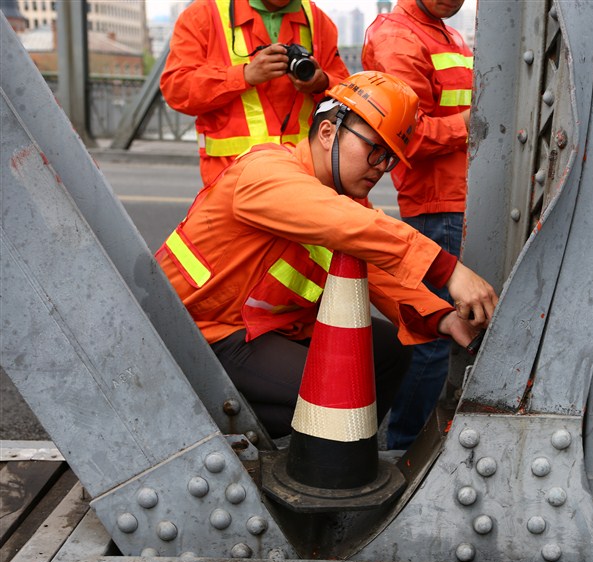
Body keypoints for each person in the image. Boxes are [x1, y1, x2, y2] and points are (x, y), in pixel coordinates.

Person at [155, 71, 498, 440]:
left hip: (261, 330)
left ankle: (341, 458)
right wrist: (449, 271)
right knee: (341, 390)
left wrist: (442, 317)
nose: (381, 167)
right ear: (327, 133)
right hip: (203, 334)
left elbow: (377, 270)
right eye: (374, 149)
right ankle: (298, 455)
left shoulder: (340, 200)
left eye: (389, 159)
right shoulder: (266, 172)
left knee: (390, 350)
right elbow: (351, 226)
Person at [361, 0, 473, 450]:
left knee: (450, 330)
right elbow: (408, 133)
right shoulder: (397, 36)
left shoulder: (448, 33)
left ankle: (414, 443)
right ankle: (403, 447)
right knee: (433, 336)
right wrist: (472, 125)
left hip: (461, 197)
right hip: (438, 203)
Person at [161, 0, 350, 186]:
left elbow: (347, 93)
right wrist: (243, 75)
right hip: (232, 178)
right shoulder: (203, 14)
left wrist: (322, 83)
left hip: (306, 175)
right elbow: (176, 89)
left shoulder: (317, 19)